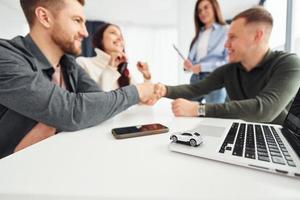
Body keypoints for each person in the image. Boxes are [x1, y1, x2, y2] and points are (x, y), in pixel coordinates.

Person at [0, 0, 156, 158]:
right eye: (77, 21)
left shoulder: (69, 63)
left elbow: (97, 101)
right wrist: (137, 92)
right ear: (44, 17)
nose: (85, 33)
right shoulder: (5, 57)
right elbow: (69, 110)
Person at [154, 7, 300, 125]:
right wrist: (163, 90)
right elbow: (195, 89)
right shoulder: (230, 70)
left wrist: (199, 109)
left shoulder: (289, 64)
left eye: (232, 37)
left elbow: (264, 110)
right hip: (244, 131)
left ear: (257, 36)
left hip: (281, 140)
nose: (225, 45)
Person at [76, 23, 151, 91]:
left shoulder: (125, 73)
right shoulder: (83, 63)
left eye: (121, 36)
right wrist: (110, 67)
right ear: (100, 39)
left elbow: (142, 101)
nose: (120, 38)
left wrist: (147, 78)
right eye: (113, 33)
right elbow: (98, 100)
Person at [184, 0, 228, 103]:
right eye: (199, 11)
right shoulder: (199, 34)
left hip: (214, 79)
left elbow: (228, 62)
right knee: (187, 113)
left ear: (214, 8)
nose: (202, 13)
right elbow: (193, 60)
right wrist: (188, 65)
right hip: (196, 79)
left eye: (206, 7)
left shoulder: (226, 30)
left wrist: (202, 67)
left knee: (213, 116)